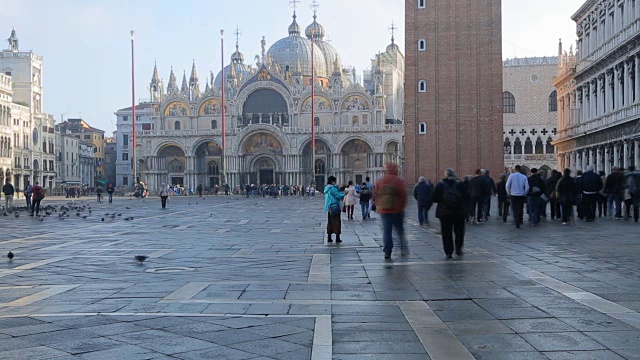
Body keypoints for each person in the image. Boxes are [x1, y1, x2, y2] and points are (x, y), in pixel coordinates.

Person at [430, 168, 468, 259]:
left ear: (446, 175)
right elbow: (467, 197)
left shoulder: (440, 184)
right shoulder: (460, 184)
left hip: (444, 212)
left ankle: (448, 252)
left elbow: (433, 197)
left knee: (446, 232)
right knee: (459, 232)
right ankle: (458, 249)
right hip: (459, 212)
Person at [374, 163, 408, 259]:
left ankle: (388, 251)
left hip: (384, 210)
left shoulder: (380, 180)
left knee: (387, 231)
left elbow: (375, 195)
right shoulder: (399, 181)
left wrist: (379, 205)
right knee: (400, 230)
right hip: (397, 210)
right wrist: (402, 207)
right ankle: (403, 248)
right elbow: (404, 196)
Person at [324, 176, 345, 243]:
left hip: (329, 207)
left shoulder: (327, 188)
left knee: (330, 222)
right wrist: (344, 194)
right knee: (337, 222)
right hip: (335, 206)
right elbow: (337, 195)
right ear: (332, 181)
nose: (335, 182)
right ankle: (337, 238)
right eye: (335, 181)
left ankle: (329, 237)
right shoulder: (332, 188)